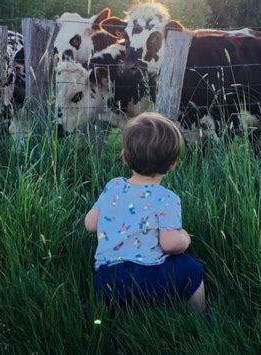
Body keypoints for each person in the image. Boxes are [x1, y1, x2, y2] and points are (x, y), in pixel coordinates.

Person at [84, 112, 205, 312]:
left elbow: (90, 223)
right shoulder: (166, 198)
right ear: (172, 163)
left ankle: (101, 312)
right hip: (148, 278)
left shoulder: (113, 187)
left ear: (124, 156)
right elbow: (170, 244)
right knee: (192, 269)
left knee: (107, 304)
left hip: (107, 278)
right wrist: (184, 238)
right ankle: (200, 318)